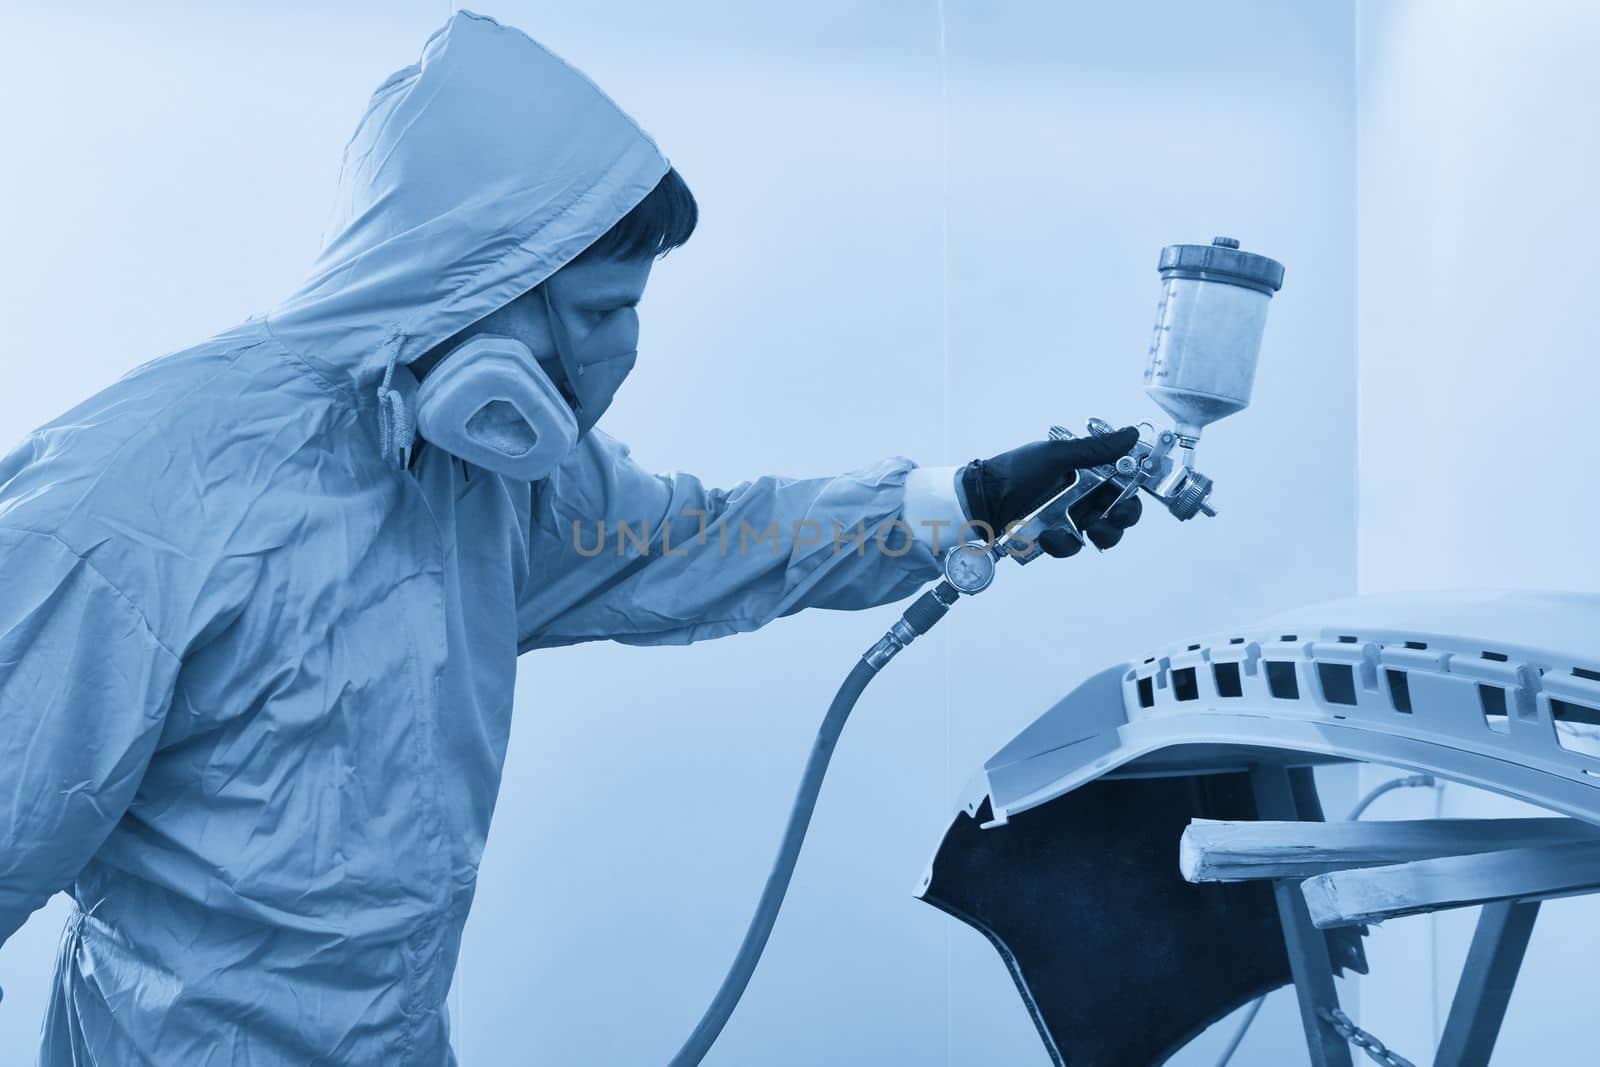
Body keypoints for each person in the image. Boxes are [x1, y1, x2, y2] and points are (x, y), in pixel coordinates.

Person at [0, 11, 1140, 1065]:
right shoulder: (131, 497)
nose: (623, 348)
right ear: (473, 283)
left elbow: (712, 536)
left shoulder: (492, 480)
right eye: (599, 311)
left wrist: (969, 497)